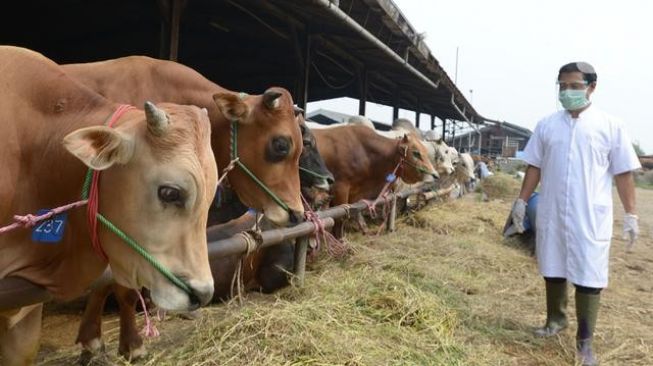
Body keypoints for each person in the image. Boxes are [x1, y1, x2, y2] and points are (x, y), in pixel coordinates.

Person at [509, 62, 641, 365]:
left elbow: (623, 173)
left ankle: (585, 341)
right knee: (552, 265)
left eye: (574, 86)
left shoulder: (610, 126)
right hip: (553, 209)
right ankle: (555, 321)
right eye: (562, 86)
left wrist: (631, 213)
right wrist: (521, 200)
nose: (567, 92)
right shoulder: (546, 125)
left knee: (588, 273)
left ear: (592, 87)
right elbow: (534, 166)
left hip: (589, 214)